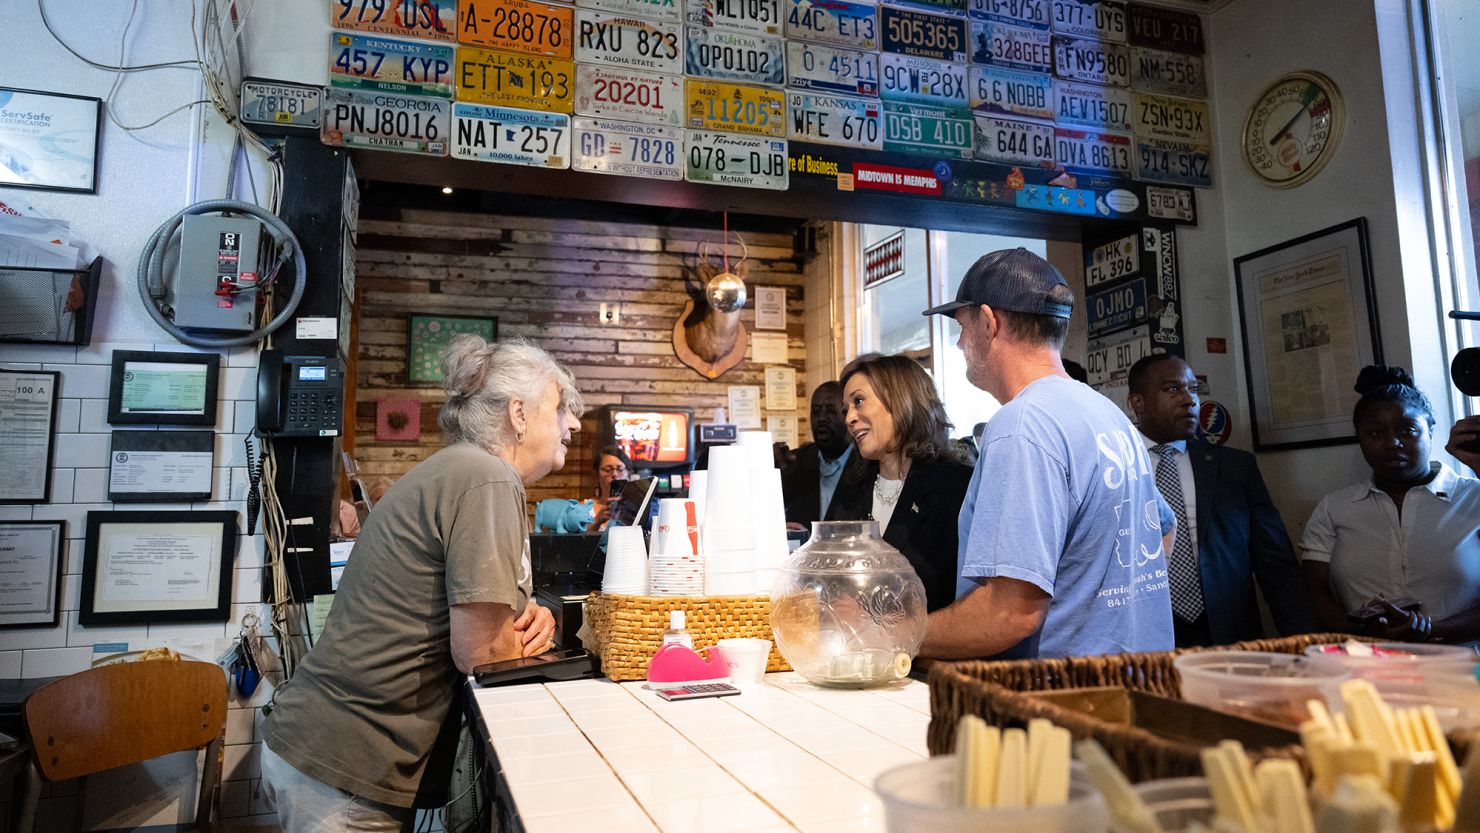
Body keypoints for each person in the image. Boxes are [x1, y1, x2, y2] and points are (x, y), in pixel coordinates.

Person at [261, 335, 582, 831]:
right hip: (348, 762)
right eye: (561, 408)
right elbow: (479, 652)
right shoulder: (486, 476)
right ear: (518, 414)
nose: (574, 424)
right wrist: (511, 639)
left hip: (335, 750)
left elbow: (482, 617)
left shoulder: (464, 469)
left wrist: (521, 620)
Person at [918, 248, 1175, 659]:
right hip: (1134, 683)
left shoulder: (1022, 426)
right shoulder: (1106, 413)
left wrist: (899, 634)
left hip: (1058, 701)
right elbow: (1161, 532)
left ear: (988, 322)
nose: (960, 342)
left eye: (962, 326)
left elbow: (1009, 615)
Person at [1127, 353, 1317, 646]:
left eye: (1193, 389)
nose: (1189, 400)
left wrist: (1307, 643)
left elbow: (1277, 566)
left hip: (1227, 635)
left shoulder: (1235, 469)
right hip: (1142, 635)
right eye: (1173, 389)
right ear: (1137, 403)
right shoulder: (1114, 468)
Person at [1300, 366, 1480, 643]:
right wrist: (1362, 633)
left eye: (1407, 431)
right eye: (1375, 434)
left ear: (1430, 431)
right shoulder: (1334, 508)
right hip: (1368, 667)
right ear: (1359, 439)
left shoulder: (1473, 498)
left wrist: (1432, 629)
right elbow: (1314, 592)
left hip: (1461, 667)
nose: (1392, 443)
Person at [824, 355, 973, 611]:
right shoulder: (853, 486)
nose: (849, 418)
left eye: (858, 401)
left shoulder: (956, 485)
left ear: (900, 398)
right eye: (846, 409)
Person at [780, 381, 859, 525]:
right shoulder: (795, 462)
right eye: (816, 411)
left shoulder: (866, 465)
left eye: (831, 411)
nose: (821, 418)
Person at [588, 445, 631, 533]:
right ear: (597, 475)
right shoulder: (585, 508)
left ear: (628, 475)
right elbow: (576, 541)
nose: (615, 474)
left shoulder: (637, 507)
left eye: (620, 469)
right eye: (608, 469)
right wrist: (597, 521)